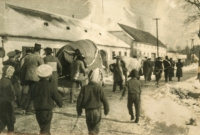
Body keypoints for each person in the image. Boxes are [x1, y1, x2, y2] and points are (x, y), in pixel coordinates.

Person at [29, 64, 63, 135]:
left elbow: (29, 96)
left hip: (37, 110)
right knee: (45, 128)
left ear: (38, 75)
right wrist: (60, 103)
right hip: (47, 110)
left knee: (42, 126)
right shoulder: (51, 86)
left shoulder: (34, 85)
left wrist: (25, 107)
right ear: (50, 75)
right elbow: (57, 96)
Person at [76, 68, 109, 135]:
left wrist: (79, 111)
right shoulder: (99, 88)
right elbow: (105, 100)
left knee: (90, 129)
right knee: (96, 129)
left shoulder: (84, 88)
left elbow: (79, 101)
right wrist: (106, 110)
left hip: (88, 111)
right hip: (97, 111)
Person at [20, 43, 44, 113]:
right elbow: (42, 68)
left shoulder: (27, 57)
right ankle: (31, 108)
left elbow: (23, 68)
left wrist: (23, 78)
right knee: (35, 93)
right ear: (39, 50)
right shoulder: (39, 57)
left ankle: (26, 108)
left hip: (28, 77)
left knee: (29, 92)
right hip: (36, 78)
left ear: (33, 49)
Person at [0, 65, 16, 134]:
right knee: (9, 121)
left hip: (2, 102)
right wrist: (14, 98)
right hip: (7, 103)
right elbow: (12, 93)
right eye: (11, 72)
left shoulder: (2, 80)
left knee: (4, 119)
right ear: (7, 72)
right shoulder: (7, 82)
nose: (12, 74)